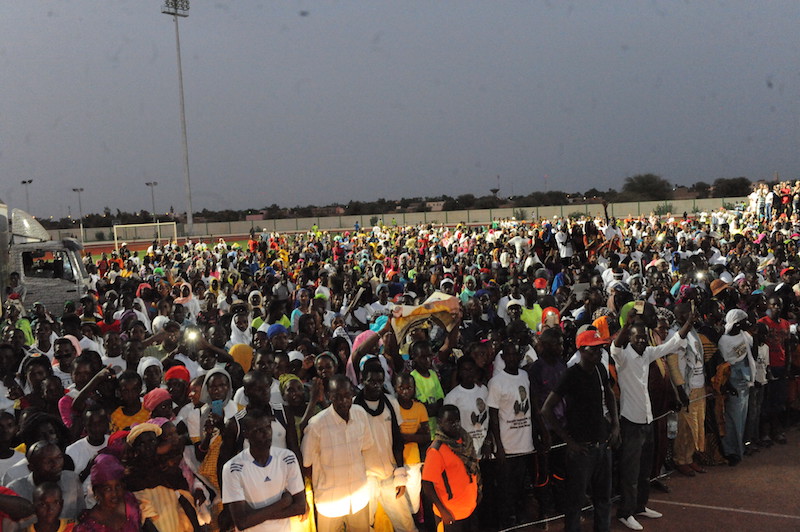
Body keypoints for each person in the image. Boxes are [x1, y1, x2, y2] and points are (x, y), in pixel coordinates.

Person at [611, 307, 692, 531]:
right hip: (631, 422)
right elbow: (615, 346)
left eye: (643, 338)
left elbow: (671, 344)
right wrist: (626, 325)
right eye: (637, 338)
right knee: (630, 472)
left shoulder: (647, 353)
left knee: (645, 469)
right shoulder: (622, 357)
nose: (641, 341)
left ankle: (640, 506)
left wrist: (688, 323)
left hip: (647, 420)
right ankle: (625, 512)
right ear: (629, 338)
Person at [542, 330, 619, 532]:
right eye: (593, 350)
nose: (598, 353)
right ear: (582, 351)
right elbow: (546, 409)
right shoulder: (571, 374)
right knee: (575, 502)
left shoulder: (600, 369)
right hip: (582, 449)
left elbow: (609, 394)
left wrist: (615, 425)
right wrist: (569, 441)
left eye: (599, 349)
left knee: (603, 499)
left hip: (602, 443)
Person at [487, 341, 550, 528]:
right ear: (503, 357)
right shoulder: (496, 382)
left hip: (526, 443)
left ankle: (520, 517)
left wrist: (543, 432)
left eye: (516, 354)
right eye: (509, 354)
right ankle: (507, 522)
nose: (512, 358)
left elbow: (533, 406)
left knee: (523, 485)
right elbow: (493, 416)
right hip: (508, 446)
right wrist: (499, 446)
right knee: (506, 488)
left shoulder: (525, 376)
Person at [301, 374, 373, 532]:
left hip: (359, 498)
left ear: (352, 393)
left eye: (347, 395)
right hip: (330, 502)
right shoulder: (317, 425)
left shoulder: (360, 414)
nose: (343, 401)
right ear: (329, 396)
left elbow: (365, 447)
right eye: (337, 396)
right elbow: (306, 463)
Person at [221, 409, 306, 532]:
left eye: (268, 427)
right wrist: (283, 503)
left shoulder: (287, 458)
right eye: (258, 430)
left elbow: (300, 507)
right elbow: (241, 522)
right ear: (246, 434)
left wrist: (254, 515)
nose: (266, 434)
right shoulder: (233, 468)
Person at [355, 364, 415, 532]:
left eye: (380, 381)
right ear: (362, 380)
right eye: (371, 381)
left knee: (406, 524)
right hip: (365, 476)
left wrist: (400, 474)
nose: (376, 385)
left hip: (390, 472)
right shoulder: (353, 407)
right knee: (364, 525)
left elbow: (397, 440)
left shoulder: (391, 402)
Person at [421, 405, 480, 532]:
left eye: (457, 420)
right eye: (450, 421)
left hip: (469, 508)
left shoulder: (466, 441)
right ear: (440, 422)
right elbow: (427, 484)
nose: (455, 425)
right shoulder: (436, 450)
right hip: (451, 514)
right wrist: (443, 511)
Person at [718, 309, 754, 466]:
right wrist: (728, 384)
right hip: (732, 380)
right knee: (733, 419)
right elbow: (723, 365)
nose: (748, 324)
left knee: (742, 418)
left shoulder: (745, 336)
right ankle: (731, 451)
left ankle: (740, 448)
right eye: (744, 321)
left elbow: (751, 354)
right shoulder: (724, 341)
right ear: (737, 323)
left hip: (745, 380)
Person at [75, 454, 143, 532]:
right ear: (96, 492)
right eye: (107, 489)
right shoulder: (87, 527)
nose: (114, 494)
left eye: (118, 487)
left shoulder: (129, 502)